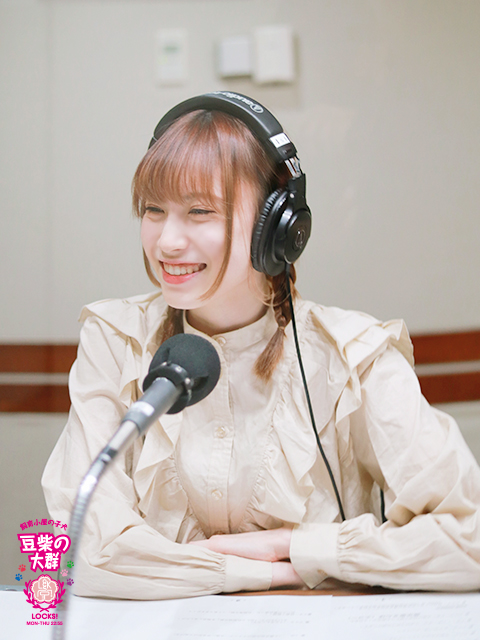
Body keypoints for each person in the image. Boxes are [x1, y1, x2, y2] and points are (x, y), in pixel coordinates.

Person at [42, 92, 480, 599]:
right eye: (154, 210)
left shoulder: (352, 355)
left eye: (200, 211)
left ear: (277, 226)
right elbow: (79, 546)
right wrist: (277, 570)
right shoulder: (114, 339)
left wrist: (296, 547)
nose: (166, 242)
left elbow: (468, 538)